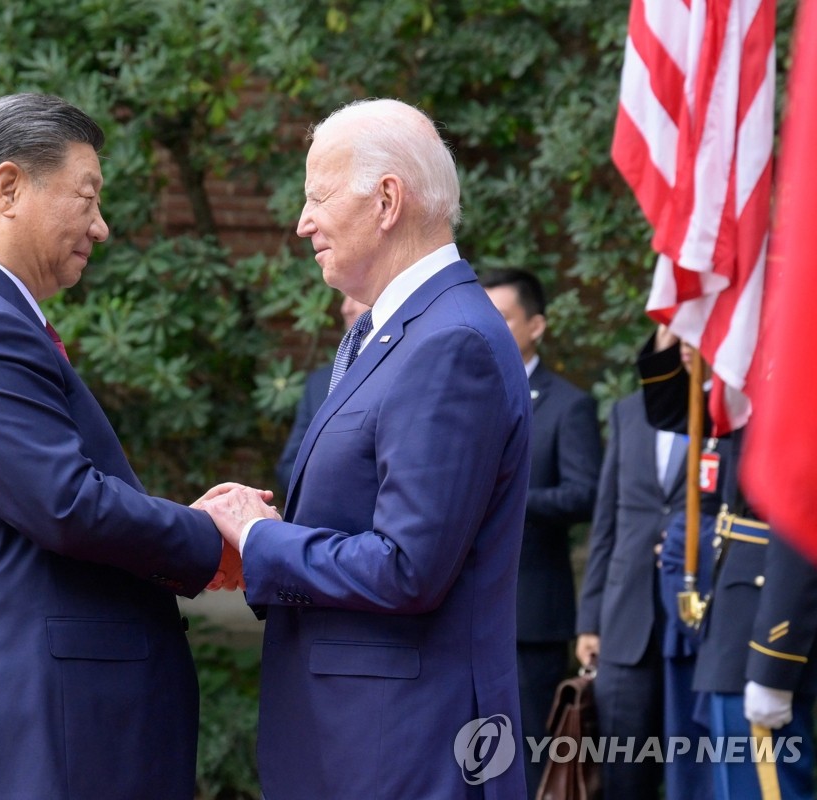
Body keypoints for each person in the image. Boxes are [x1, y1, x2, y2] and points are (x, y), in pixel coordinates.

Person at [0, 93, 269, 800]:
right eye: (86, 196)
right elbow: (66, 503)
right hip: (30, 734)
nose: (102, 225)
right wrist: (210, 536)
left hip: (26, 722)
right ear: (8, 187)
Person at [200, 98, 531, 799]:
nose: (302, 222)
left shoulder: (451, 343)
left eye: (317, 196)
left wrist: (262, 538)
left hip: (403, 750)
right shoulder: (403, 331)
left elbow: (408, 568)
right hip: (365, 741)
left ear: (387, 200)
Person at [639, 325, 816, 800]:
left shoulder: (795, 395)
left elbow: (799, 534)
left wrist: (773, 663)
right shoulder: (748, 400)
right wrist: (672, 337)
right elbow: (674, 411)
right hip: (732, 626)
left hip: (765, 630)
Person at [481, 267, 602, 800]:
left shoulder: (568, 404)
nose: (490, 327)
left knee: (527, 753)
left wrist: (510, 500)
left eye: (503, 317)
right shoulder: (464, 390)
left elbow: (585, 493)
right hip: (461, 606)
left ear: (537, 326)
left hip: (532, 611)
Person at [574, 363, 720, 799]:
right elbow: (606, 521)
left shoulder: (727, 413)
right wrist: (590, 620)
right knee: (623, 770)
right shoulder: (629, 411)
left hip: (698, 618)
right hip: (625, 618)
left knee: (696, 770)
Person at [274, 293, 370, 489]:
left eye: (355, 297)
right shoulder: (318, 382)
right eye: (344, 298)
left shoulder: (399, 371)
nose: (345, 308)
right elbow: (288, 467)